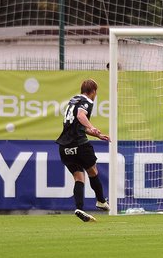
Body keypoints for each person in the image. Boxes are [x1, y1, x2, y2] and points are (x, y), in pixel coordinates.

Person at [55, 79, 110, 222]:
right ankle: (101, 201)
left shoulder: (73, 100)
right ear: (93, 92)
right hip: (79, 145)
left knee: (79, 178)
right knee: (93, 172)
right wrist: (92, 127)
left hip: (64, 147)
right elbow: (80, 116)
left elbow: (78, 125)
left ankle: (79, 208)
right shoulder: (87, 101)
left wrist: (97, 134)